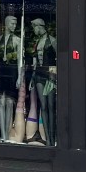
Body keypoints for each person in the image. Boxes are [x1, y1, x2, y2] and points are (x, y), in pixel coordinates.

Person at [0, 13, 22, 141]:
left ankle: (7, 135)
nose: (14, 26)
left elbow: (19, 61)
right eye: (12, 24)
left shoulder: (17, 40)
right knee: (1, 102)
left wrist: (19, 77)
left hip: (12, 71)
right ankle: (3, 135)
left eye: (15, 24)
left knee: (9, 102)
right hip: (1, 71)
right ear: (7, 24)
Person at [29, 17, 57, 146]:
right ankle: (48, 139)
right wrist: (32, 77)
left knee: (51, 106)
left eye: (34, 27)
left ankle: (52, 137)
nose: (34, 30)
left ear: (39, 26)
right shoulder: (37, 42)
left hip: (50, 76)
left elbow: (57, 59)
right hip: (39, 76)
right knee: (44, 106)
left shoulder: (52, 41)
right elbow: (34, 62)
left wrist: (53, 75)